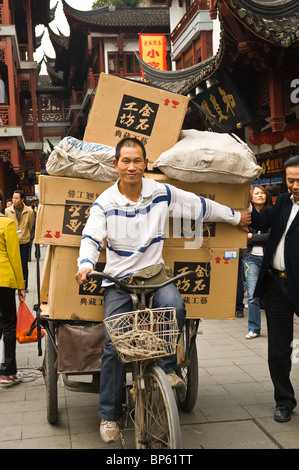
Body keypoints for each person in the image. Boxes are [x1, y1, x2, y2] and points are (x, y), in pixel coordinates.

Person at [75, 137, 251, 443]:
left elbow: (199, 206)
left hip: (156, 275)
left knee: (176, 307)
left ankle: (169, 369)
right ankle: (108, 415)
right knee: (112, 343)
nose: (132, 167)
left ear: (145, 163)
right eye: (126, 161)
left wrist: (235, 217)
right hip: (119, 280)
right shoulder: (105, 202)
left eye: (137, 161)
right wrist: (85, 264)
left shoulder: (160, 192)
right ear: (116, 164)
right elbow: (91, 237)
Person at [250, 155, 299, 423]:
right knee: (278, 349)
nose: (294, 185)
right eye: (290, 180)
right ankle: (284, 401)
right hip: (277, 284)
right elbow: (259, 222)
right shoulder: (281, 202)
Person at [0, 191, 26, 385]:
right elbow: (15, 258)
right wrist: (21, 286)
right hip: (4, 280)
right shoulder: (6, 224)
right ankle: (8, 372)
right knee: (9, 323)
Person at [243, 185, 272, 339]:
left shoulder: (272, 214)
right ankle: (254, 328)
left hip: (269, 259)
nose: (260, 195)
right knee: (253, 295)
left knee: (273, 296)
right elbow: (243, 237)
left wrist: (252, 237)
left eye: (262, 193)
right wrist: (259, 237)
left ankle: (276, 328)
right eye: (257, 193)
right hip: (251, 259)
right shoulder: (246, 215)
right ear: (251, 197)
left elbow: (271, 236)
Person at [5, 190, 35, 293]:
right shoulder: (7, 211)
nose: (14, 200)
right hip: (12, 241)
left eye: (17, 198)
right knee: (11, 264)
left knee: (23, 264)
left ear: (22, 199)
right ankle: (13, 284)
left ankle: (25, 285)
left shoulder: (29, 211)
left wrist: (25, 235)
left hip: (24, 241)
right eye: (13, 198)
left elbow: (30, 226)